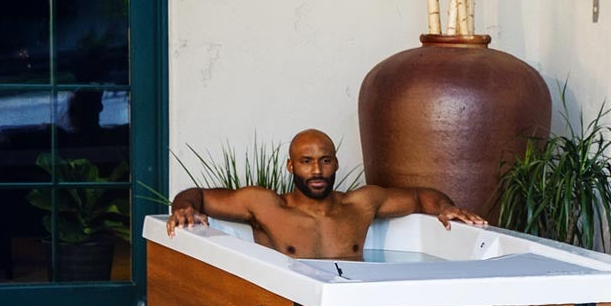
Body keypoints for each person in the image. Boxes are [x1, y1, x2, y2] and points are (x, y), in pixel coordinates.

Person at [166, 129, 485, 260]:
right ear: (291, 166)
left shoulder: (361, 204)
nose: (317, 171)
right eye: (306, 162)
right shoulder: (265, 206)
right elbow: (198, 196)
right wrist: (183, 208)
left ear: (336, 164)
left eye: (325, 161)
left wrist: (445, 207)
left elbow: (419, 197)